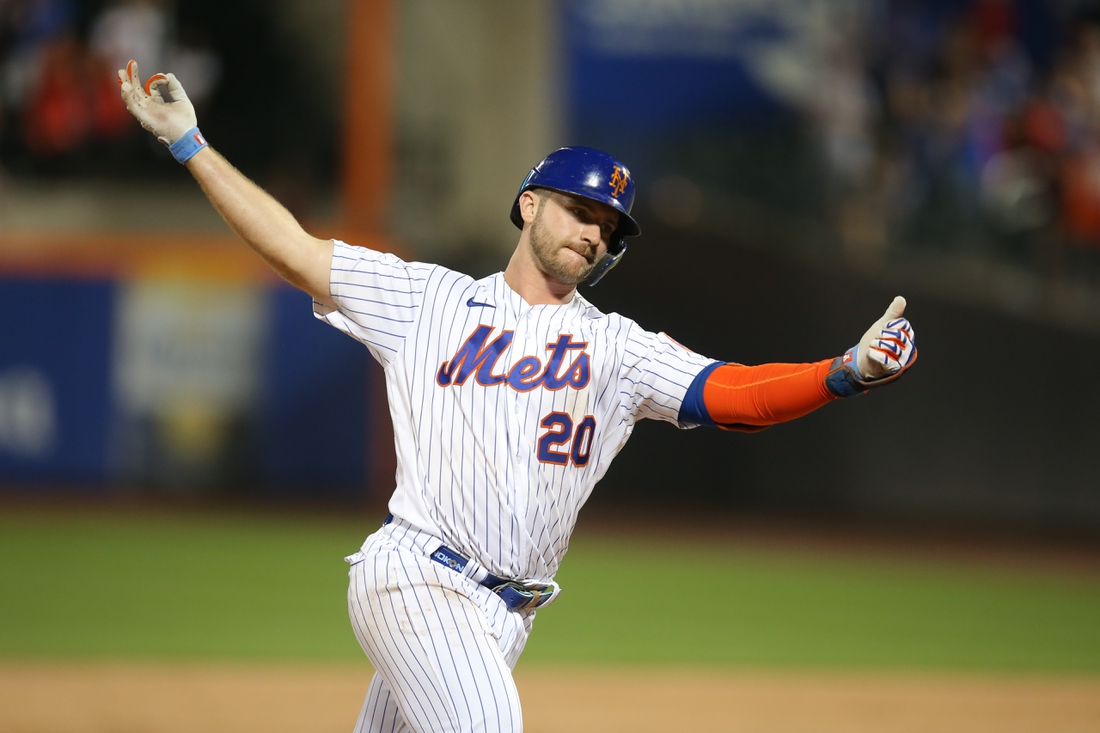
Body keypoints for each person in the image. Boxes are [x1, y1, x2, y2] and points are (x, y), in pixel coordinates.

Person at [119, 60, 917, 733]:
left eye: (609, 226)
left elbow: (732, 393)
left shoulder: (617, 347)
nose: (594, 233)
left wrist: (843, 370)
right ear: (531, 204)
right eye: (581, 210)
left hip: (507, 616)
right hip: (419, 579)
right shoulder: (427, 299)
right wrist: (191, 145)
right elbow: (292, 247)